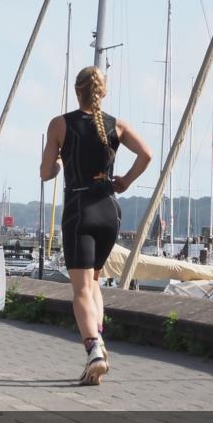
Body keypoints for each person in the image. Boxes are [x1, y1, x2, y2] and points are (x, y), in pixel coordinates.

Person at [40, 65, 151, 386]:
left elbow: (46, 172)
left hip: (79, 210)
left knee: (80, 291)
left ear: (78, 91)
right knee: (95, 283)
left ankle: (94, 349)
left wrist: (59, 162)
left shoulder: (61, 125)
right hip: (109, 212)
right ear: (102, 92)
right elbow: (146, 154)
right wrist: (126, 182)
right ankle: (98, 346)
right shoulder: (117, 126)